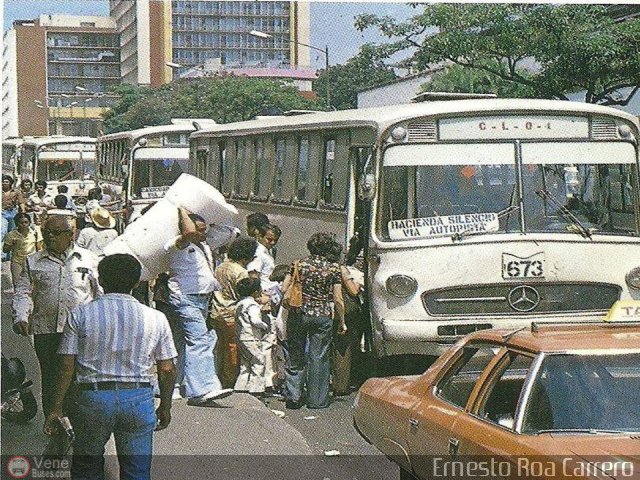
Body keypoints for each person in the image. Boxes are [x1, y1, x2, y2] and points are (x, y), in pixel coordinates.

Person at [44, 254, 177, 480]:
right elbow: (167, 369)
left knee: (87, 468)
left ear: (101, 281)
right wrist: (165, 405)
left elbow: (66, 366)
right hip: (138, 398)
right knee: (137, 471)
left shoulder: (79, 315)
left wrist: (56, 407)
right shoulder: (157, 318)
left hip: (92, 399)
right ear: (137, 283)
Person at [13, 215, 101, 418]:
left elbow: (99, 293)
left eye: (56, 233)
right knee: (51, 380)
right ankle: (54, 424)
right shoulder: (33, 261)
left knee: (81, 380)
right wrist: (21, 316)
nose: (50, 237)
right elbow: (23, 292)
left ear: (70, 235)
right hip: (47, 333)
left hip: (82, 332)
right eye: (47, 233)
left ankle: (78, 425)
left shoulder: (88, 259)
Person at [165, 207, 232, 404]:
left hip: (201, 299)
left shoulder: (204, 245)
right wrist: (181, 209)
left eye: (205, 230)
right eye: (200, 230)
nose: (204, 234)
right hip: (185, 298)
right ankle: (202, 389)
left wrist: (208, 221)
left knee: (180, 343)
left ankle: (174, 385)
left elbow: (228, 231)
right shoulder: (177, 244)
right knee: (200, 339)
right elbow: (188, 233)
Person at [282, 232, 347, 409]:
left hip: (299, 313)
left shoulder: (298, 264)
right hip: (323, 316)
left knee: (296, 353)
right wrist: (342, 321)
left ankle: (293, 396)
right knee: (319, 357)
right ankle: (317, 400)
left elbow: (283, 287)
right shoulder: (333, 268)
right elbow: (338, 298)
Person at [210, 237, 258, 388]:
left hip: (216, 311)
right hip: (232, 312)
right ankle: (230, 380)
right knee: (233, 348)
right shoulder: (241, 272)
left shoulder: (220, 267)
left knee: (220, 347)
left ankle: (220, 376)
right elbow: (243, 293)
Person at [246, 223, 281, 390]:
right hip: (265, 296)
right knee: (267, 339)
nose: (272, 243)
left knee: (268, 339)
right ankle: (268, 380)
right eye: (269, 239)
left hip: (270, 294)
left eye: (275, 240)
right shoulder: (259, 253)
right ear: (260, 236)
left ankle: (268, 377)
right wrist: (260, 298)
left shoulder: (266, 251)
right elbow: (254, 275)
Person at [234, 277, 270, 395]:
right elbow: (255, 321)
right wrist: (265, 326)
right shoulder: (252, 305)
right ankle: (257, 389)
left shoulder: (240, 304)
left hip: (241, 336)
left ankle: (241, 386)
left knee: (245, 363)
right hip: (251, 337)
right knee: (259, 361)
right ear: (255, 292)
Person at [3, 212, 43, 287]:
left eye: (26, 222)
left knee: (33, 285)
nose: (24, 224)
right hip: (17, 262)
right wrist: (12, 244)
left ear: (29, 223)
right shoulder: (11, 235)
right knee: (18, 285)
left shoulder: (34, 232)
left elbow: (39, 248)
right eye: (21, 223)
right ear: (16, 223)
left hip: (31, 262)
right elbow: (5, 250)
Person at [2, 175, 26, 259]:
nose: (4, 183)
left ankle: (11, 254)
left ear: (10, 183)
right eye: (3, 182)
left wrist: (23, 212)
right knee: (3, 231)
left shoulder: (16, 192)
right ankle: (3, 255)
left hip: (12, 213)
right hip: (2, 213)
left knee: (12, 233)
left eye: (6, 182)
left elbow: (21, 202)